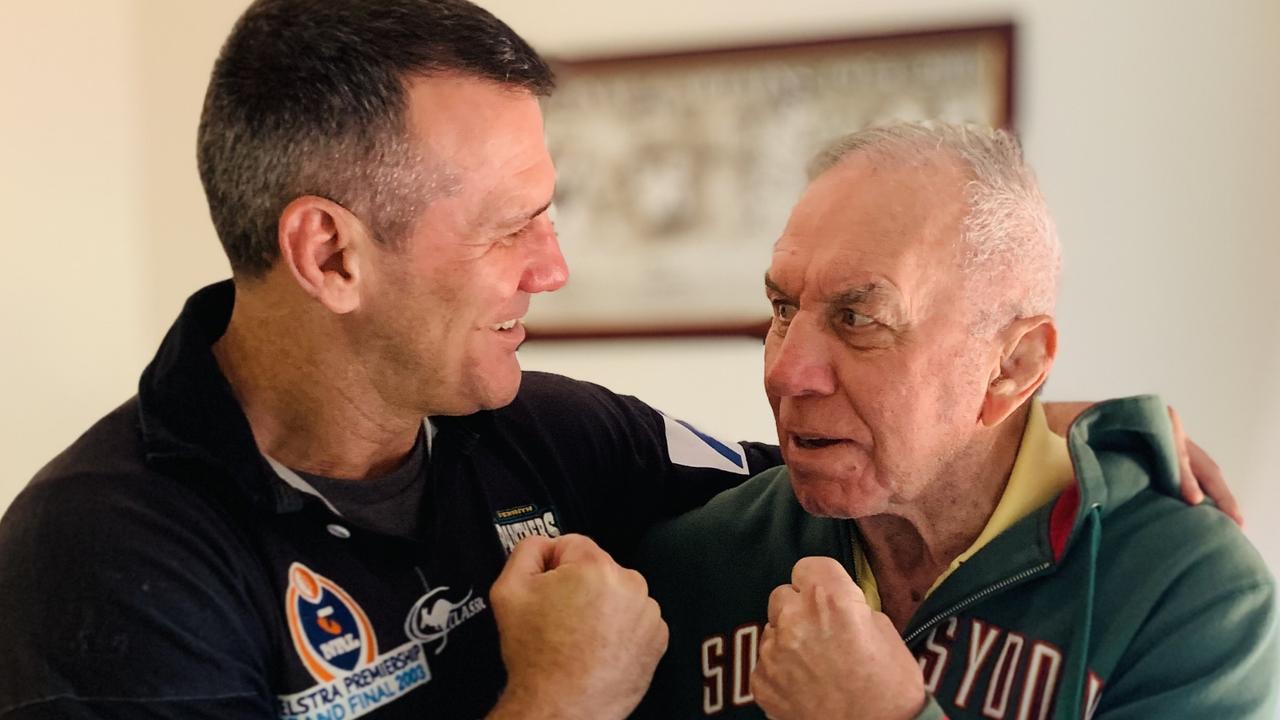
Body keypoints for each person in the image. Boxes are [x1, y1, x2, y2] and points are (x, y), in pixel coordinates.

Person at [0, 3, 1236, 719]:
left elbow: (815, 461)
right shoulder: (102, 555)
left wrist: (1015, 415)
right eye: (507, 228)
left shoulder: (551, 438)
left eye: (855, 315)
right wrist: (553, 705)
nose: (554, 268)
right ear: (329, 254)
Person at [634, 123, 1277, 720]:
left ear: (1012, 365)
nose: (786, 372)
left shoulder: (1182, 590)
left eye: (859, 320)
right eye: (782, 308)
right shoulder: (694, 562)